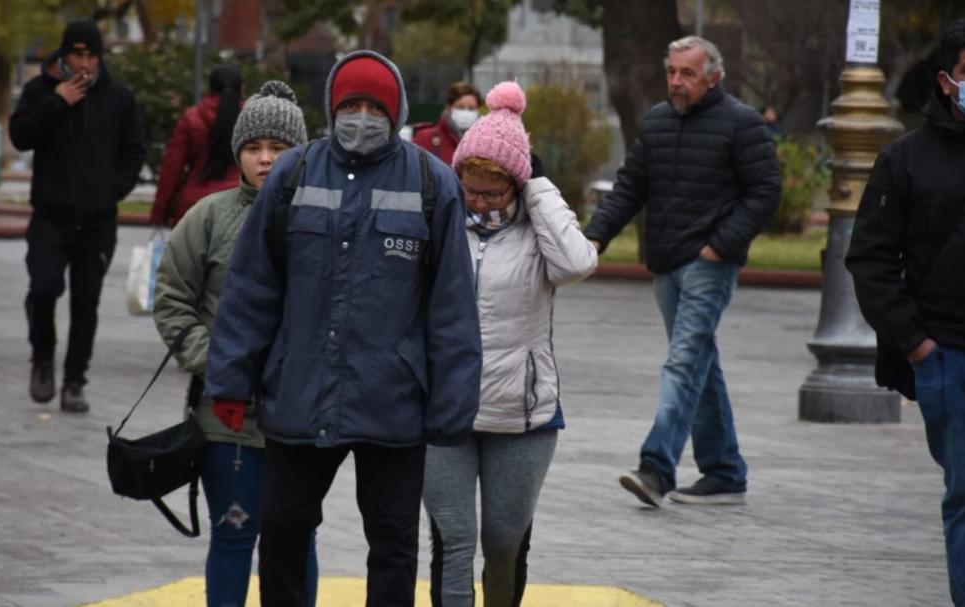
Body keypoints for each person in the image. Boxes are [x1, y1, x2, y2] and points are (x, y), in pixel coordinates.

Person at [204, 50, 482, 606]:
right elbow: (252, 287)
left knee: (393, 547)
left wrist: (453, 405)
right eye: (350, 105)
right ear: (332, 108)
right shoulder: (294, 173)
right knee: (281, 533)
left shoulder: (433, 183)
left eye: (372, 106)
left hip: (394, 403)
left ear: (395, 109)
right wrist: (231, 379)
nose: (360, 116)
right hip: (300, 395)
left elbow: (452, 307)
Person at [583, 35, 780, 508]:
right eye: (672, 71)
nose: (676, 81)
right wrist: (593, 238)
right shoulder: (657, 121)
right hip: (667, 264)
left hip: (708, 265)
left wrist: (721, 247)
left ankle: (656, 467)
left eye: (687, 73)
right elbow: (630, 187)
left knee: (684, 362)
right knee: (698, 364)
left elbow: (765, 193)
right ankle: (725, 471)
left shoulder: (741, 124)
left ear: (714, 76)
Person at [422, 81, 597, 607]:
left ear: (518, 186)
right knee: (453, 540)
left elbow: (577, 263)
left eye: (492, 192)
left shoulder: (539, 228)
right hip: (444, 411)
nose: (478, 201)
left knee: (503, 542)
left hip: (521, 417)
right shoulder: (444, 222)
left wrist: (540, 189)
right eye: (470, 188)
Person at [845, 16, 965, 606]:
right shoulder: (906, 160)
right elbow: (871, 261)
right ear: (947, 80)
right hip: (952, 364)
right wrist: (918, 347)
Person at [153, 81, 318, 607]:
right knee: (233, 534)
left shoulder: (324, 218)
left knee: (296, 539)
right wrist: (221, 366)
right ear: (238, 153)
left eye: (279, 147)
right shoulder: (207, 217)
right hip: (226, 417)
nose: (266, 159)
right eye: (253, 148)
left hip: (303, 415)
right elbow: (173, 301)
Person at [9, 20, 145, 413]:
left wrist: (113, 190)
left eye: (91, 55)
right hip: (50, 217)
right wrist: (59, 102)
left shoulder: (119, 97)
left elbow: (134, 151)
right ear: (64, 54)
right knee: (43, 289)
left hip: (97, 222)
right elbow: (20, 136)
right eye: (76, 54)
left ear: (100, 57)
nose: (84, 63)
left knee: (86, 303)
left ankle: (74, 381)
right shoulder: (40, 91)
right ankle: (42, 359)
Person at [149, 65, 245, 227]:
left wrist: (159, 213)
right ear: (242, 90)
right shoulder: (251, 118)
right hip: (237, 204)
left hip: (192, 206)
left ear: (210, 89)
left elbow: (172, 169)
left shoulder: (191, 118)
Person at [413, 81, 482, 165]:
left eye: (471, 108)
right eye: (460, 107)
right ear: (449, 107)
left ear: (478, 110)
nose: (466, 112)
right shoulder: (425, 138)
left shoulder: (485, 142)